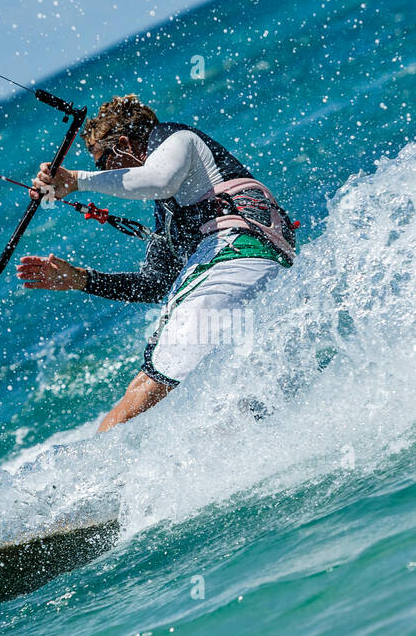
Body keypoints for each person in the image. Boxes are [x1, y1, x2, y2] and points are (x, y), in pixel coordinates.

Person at [19, 94, 297, 431]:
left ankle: (94, 474)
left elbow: (159, 178)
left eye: (103, 161)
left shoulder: (176, 138)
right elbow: (153, 284)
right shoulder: (169, 212)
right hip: (246, 267)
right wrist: (80, 278)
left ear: (124, 144)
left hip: (235, 254)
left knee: (149, 386)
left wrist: (77, 181)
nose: (106, 172)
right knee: (168, 386)